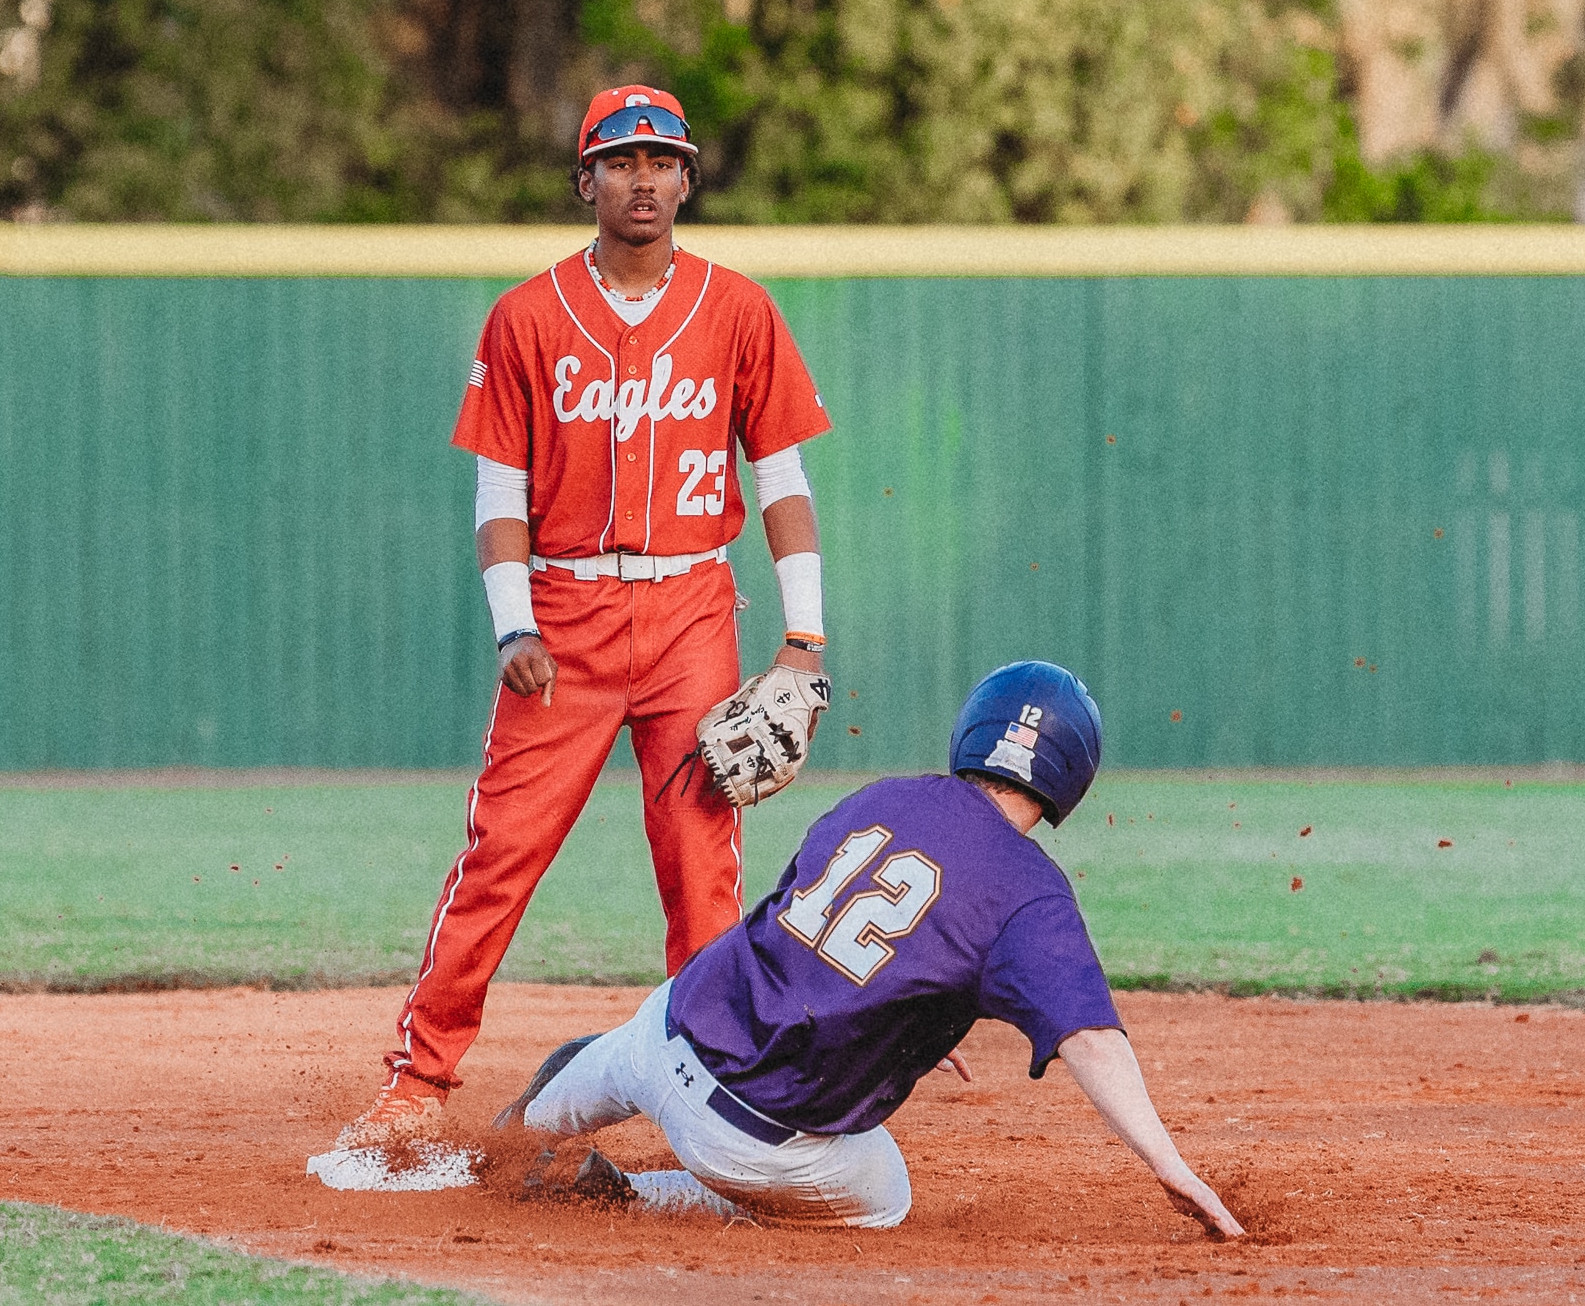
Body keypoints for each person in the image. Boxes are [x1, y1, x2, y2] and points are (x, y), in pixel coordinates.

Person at [341, 85, 834, 1145]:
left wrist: (805, 637)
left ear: (688, 180)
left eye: (662, 160)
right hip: (561, 611)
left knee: (701, 864)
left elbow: (782, 474)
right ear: (585, 181)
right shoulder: (526, 314)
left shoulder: (738, 308)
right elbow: (498, 489)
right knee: (500, 852)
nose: (642, 178)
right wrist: (512, 622)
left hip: (692, 605)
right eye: (620, 161)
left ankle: (713, 1090)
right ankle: (419, 1079)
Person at [495, 662, 1246, 1239]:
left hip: (665, 1033)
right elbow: (1090, 1039)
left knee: (606, 1068)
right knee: (884, 1195)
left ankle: (525, 1128)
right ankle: (629, 1194)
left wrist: (900, 993)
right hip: (745, 1138)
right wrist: (1167, 1163)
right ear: (1071, 775)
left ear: (973, 730)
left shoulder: (883, 796)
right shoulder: (1030, 892)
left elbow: (791, 914)